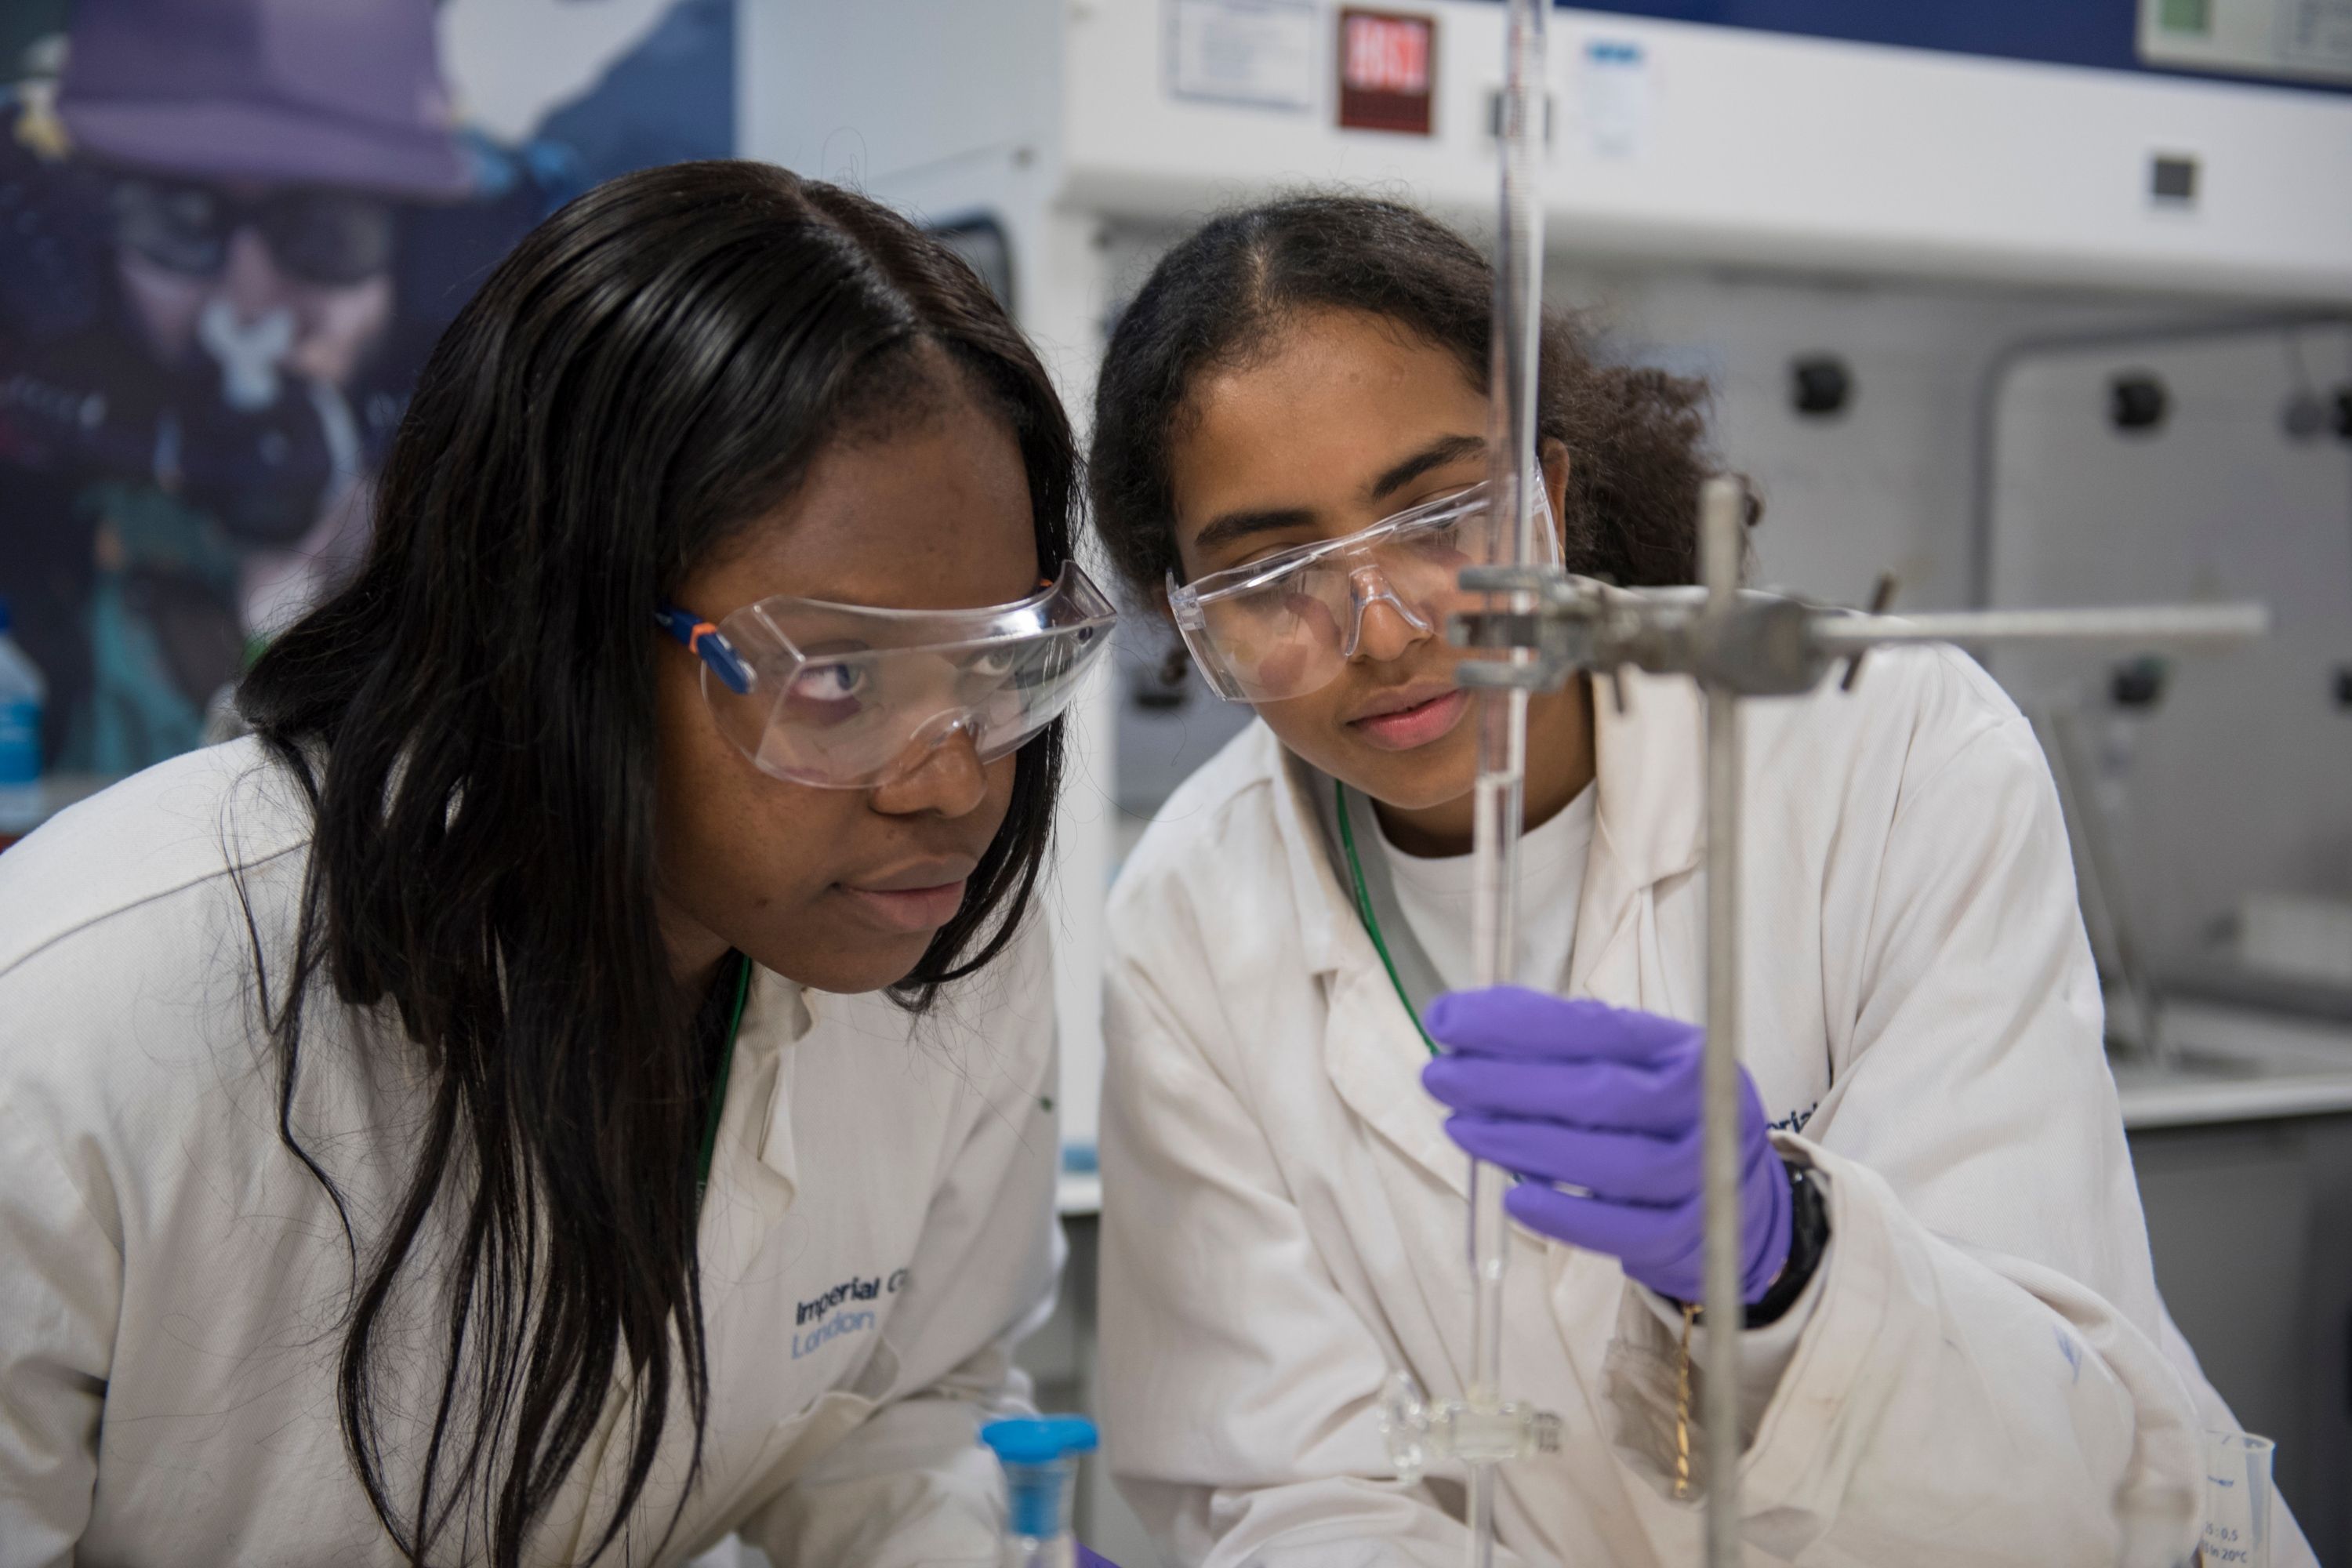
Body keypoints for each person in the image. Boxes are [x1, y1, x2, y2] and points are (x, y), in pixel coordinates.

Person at [1087, 194, 2314, 1567]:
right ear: (1184, 623)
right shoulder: (1190, 912)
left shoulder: (1889, 748)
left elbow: (2048, 1471)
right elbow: (1292, 1498)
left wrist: (1790, 1263)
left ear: (1547, 495)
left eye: (1442, 515)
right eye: (1274, 578)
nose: (1383, 630)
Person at [0, 162, 1123, 1566]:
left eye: (997, 665)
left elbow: (897, 1425)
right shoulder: (83, 1006)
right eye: (838, 677)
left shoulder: (924, 936)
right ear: (552, 626)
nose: (956, 784)